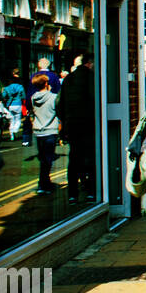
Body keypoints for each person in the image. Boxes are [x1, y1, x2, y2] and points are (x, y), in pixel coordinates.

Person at [56, 52, 97, 203]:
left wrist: (65, 121)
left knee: (74, 159)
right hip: (89, 124)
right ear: (90, 63)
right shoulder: (92, 78)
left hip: (72, 125)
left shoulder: (68, 79)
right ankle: (92, 192)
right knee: (92, 158)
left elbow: (59, 104)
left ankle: (72, 194)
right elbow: (95, 101)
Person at [29, 74, 60, 194]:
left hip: (38, 131)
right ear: (46, 84)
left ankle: (43, 183)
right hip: (50, 131)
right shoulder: (53, 97)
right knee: (48, 159)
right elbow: (57, 111)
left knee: (43, 159)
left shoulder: (33, 97)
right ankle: (44, 184)